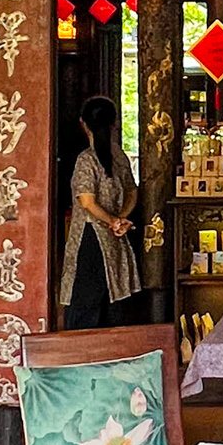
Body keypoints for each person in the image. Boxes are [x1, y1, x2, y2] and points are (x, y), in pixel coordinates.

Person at [60, 95, 140, 330]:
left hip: (90, 237)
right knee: (113, 295)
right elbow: (132, 192)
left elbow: (87, 202)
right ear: (114, 124)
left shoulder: (86, 159)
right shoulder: (119, 156)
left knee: (86, 301)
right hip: (115, 238)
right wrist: (121, 220)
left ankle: (84, 356)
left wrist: (113, 221)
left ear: (83, 124)